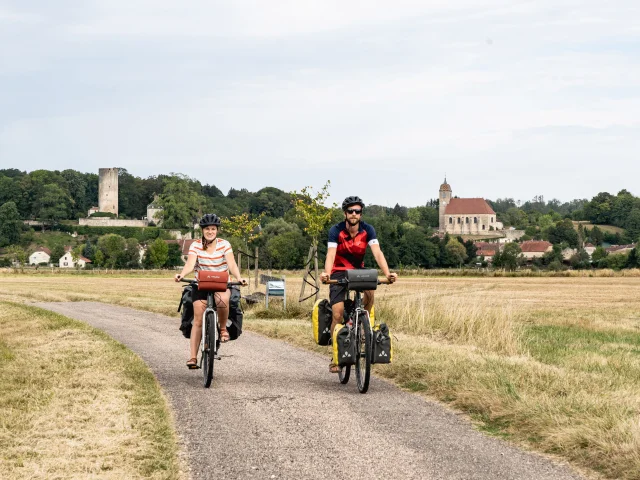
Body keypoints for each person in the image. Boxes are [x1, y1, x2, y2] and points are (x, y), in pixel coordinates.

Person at [320, 196, 397, 373]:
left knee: (371, 290)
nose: (354, 214)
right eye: (350, 211)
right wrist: (327, 273)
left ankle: (363, 324)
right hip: (338, 271)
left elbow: (377, 253)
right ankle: (335, 356)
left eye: (357, 211)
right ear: (345, 213)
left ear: (361, 214)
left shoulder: (368, 230)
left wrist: (387, 274)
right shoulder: (336, 230)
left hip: (357, 270)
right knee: (337, 314)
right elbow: (331, 254)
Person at [175, 213, 246, 369]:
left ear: (217, 230)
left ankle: (222, 329)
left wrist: (239, 277)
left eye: (213, 229)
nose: (210, 232)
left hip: (221, 283)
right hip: (200, 284)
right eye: (207, 229)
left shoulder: (224, 245)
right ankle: (193, 358)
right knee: (198, 318)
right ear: (202, 230)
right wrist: (182, 274)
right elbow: (190, 264)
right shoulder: (195, 245)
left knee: (223, 300)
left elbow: (232, 264)